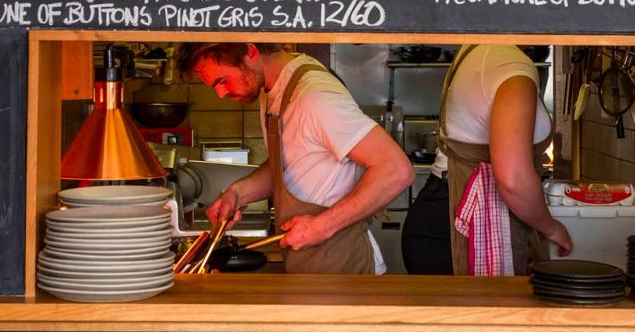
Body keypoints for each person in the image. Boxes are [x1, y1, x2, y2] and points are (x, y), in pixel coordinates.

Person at [176, 42, 415, 274]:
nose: (220, 93)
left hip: (343, 264)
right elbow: (291, 162)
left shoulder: (315, 97)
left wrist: (321, 226)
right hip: (310, 265)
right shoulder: (273, 89)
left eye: (222, 80)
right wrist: (237, 193)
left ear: (251, 51)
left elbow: (395, 170)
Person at [402, 44, 573, 275]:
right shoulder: (510, 66)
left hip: (440, 213)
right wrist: (551, 228)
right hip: (458, 226)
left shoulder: (478, 51)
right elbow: (513, 180)